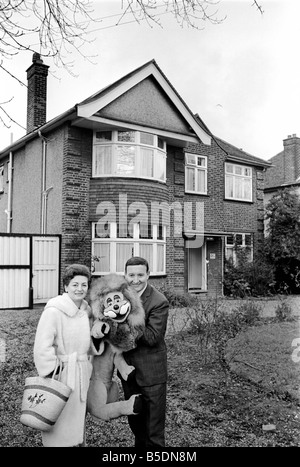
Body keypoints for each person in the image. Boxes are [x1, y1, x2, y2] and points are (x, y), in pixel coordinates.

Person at [33, 263, 93, 447]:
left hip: (82, 372)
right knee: (59, 422)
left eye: (84, 285)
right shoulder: (54, 311)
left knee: (77, 424)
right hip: (61, 374)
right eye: (75, 284)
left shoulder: (86, 310)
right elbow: (42, 346)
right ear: (66, 286)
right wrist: (52, 372)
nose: (80, 289)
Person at [119, 256, 169, 448]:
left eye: (140, 274)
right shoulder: (121, 296)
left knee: (153, 432)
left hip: (151, 375)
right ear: (125, 275)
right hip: (129, 373)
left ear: (148, 274)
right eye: (131, 275)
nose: (136, 279)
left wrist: (126, 316)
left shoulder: (158, 301)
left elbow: (152, 337)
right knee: (137, 427)